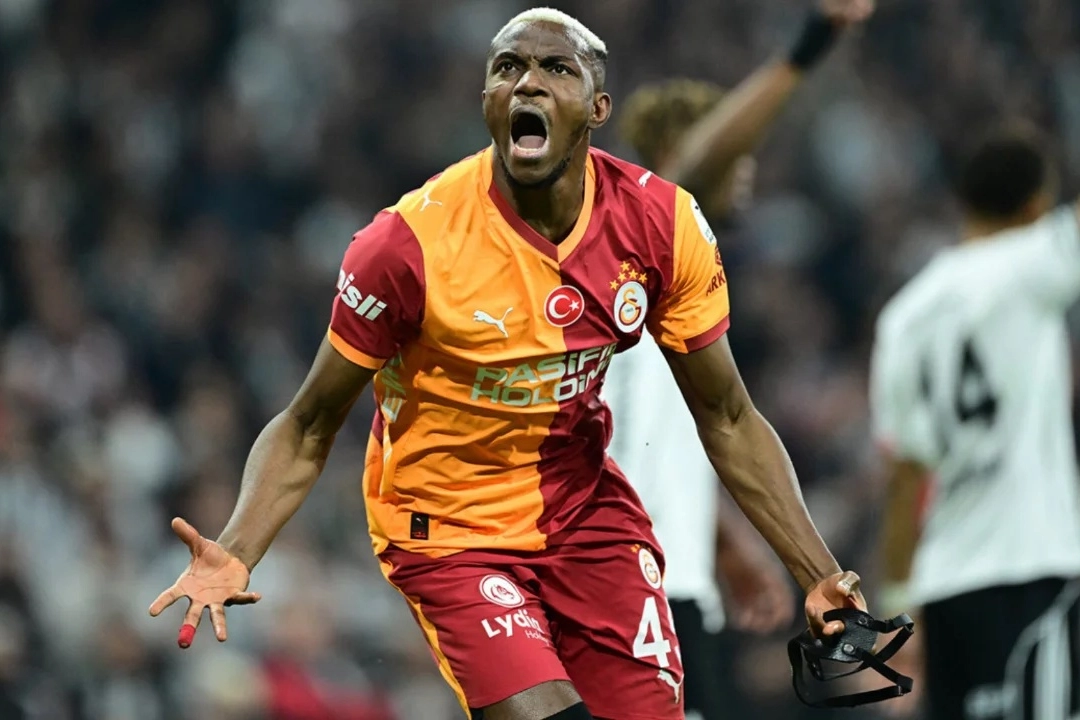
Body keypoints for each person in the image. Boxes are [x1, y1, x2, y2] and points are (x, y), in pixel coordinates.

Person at [150, 8, 866, 720]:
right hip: (449, 531)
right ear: (488, 100)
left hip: (585, 516)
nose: (528, 83)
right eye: (508, 68)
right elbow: (309, 423)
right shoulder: (407, 245)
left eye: (556, 68)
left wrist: (817, 572)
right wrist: (238, 546)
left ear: (598, 107)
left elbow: (729, 417)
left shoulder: (662, 225)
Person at [604, 3, 872, 718]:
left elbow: (668, 437)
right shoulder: (636, 248)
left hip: (678, 581)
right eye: (738, 149)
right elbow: (693, 168)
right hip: (631, 584)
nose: (746, 168)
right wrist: (810, 45)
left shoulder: (679, 281)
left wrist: (723, 543)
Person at [871, 123, 1080, 720]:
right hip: (1029, 564)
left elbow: (905, 478)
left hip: (943, 584)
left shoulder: (903, 316)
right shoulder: (1034, 263)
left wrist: (899, 607)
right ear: (1036, 205)